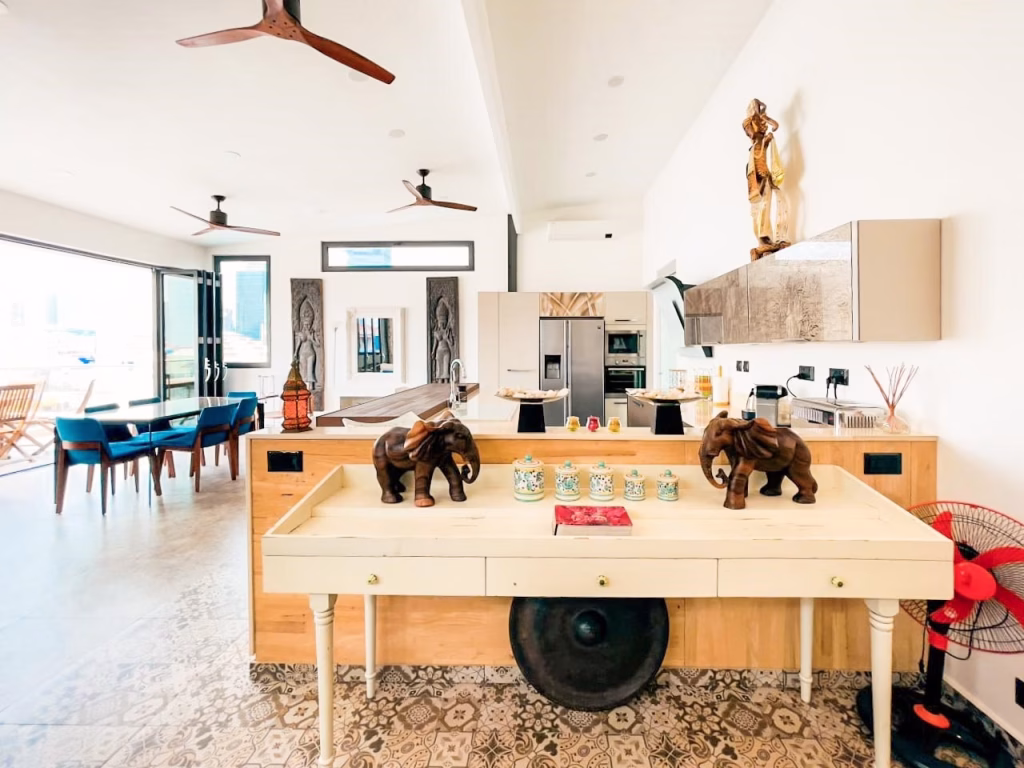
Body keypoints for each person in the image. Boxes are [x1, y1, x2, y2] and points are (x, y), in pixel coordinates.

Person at [743, 98, 790, 260]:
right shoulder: (748, 123)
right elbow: (754, 135)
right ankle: (763, 236)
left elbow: (775, 126)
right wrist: (759, 116)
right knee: (761, 201)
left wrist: (766, 117)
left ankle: (768, 235)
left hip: (763, 165)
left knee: (769, 198)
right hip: (756, 166)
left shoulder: (762, 127)